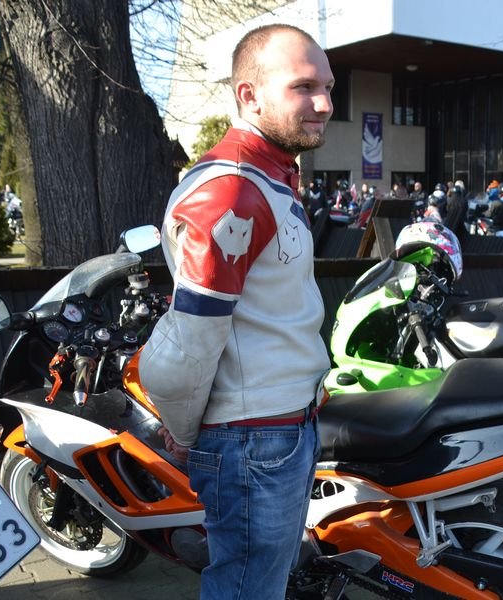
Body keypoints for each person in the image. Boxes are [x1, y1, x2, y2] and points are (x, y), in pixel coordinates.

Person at [138, 24, 333, 599]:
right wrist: (182, 431)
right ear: (248, 94)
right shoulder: (230, 191)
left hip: (277, 430)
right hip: (254, 439)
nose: (324, 103)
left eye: (327, 86)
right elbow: (190, 340)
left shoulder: (269, 178)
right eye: (304, 87)